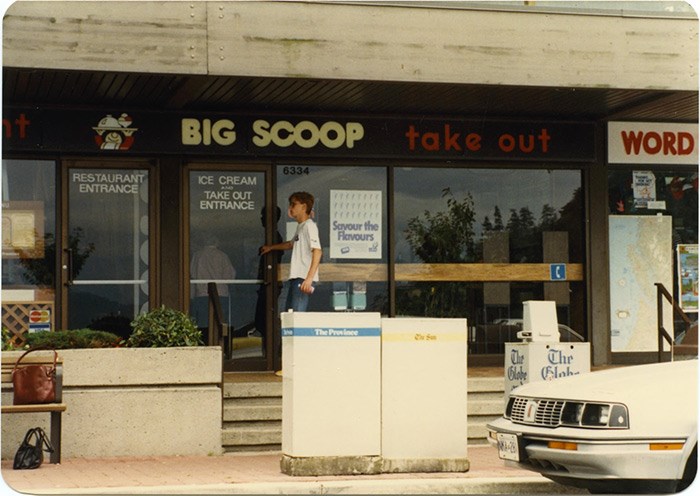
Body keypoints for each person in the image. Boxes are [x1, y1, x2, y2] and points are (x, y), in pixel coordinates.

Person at [259, 192, 322, 312]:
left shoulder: (309, 226)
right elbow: (290, 244)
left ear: (304, 207)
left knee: (296, 315)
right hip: (296, 277)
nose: (290, 208)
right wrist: (271, 248)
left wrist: (309, 279)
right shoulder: (301, 227)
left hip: (303, 278)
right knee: (289, 313)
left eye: (293, 204)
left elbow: (317, 251)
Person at [190, 235, 236, 342]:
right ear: (217, 243)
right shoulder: (222, 256)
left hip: (201, 293)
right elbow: (229, 276)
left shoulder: (197, 256)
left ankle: (205, 342)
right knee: (220, 321)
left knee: (203, 322)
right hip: (221, 293)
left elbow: (192, 273)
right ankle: (219, 343)